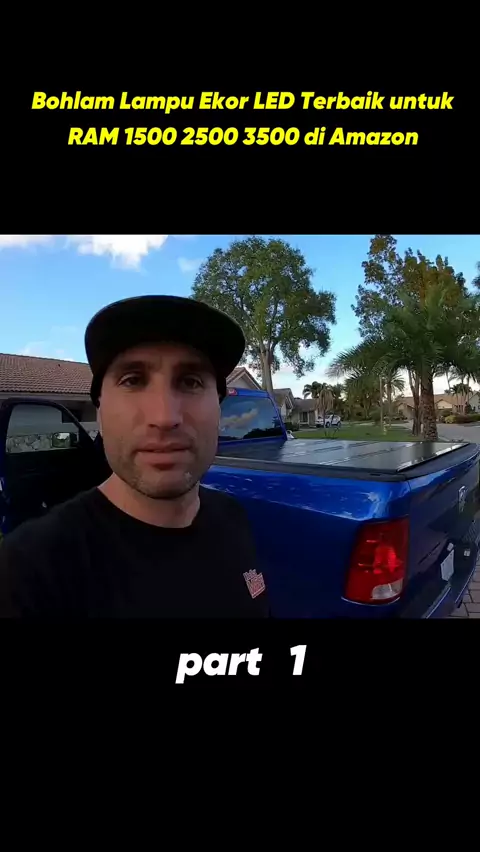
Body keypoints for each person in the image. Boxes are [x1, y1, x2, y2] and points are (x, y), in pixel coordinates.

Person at [0, 295, 269, 618]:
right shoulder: (26, 573)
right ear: (100, 413)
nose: (165, 417)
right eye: (133, 380)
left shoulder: (233, 518)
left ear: (218, 410)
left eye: (191, 381)